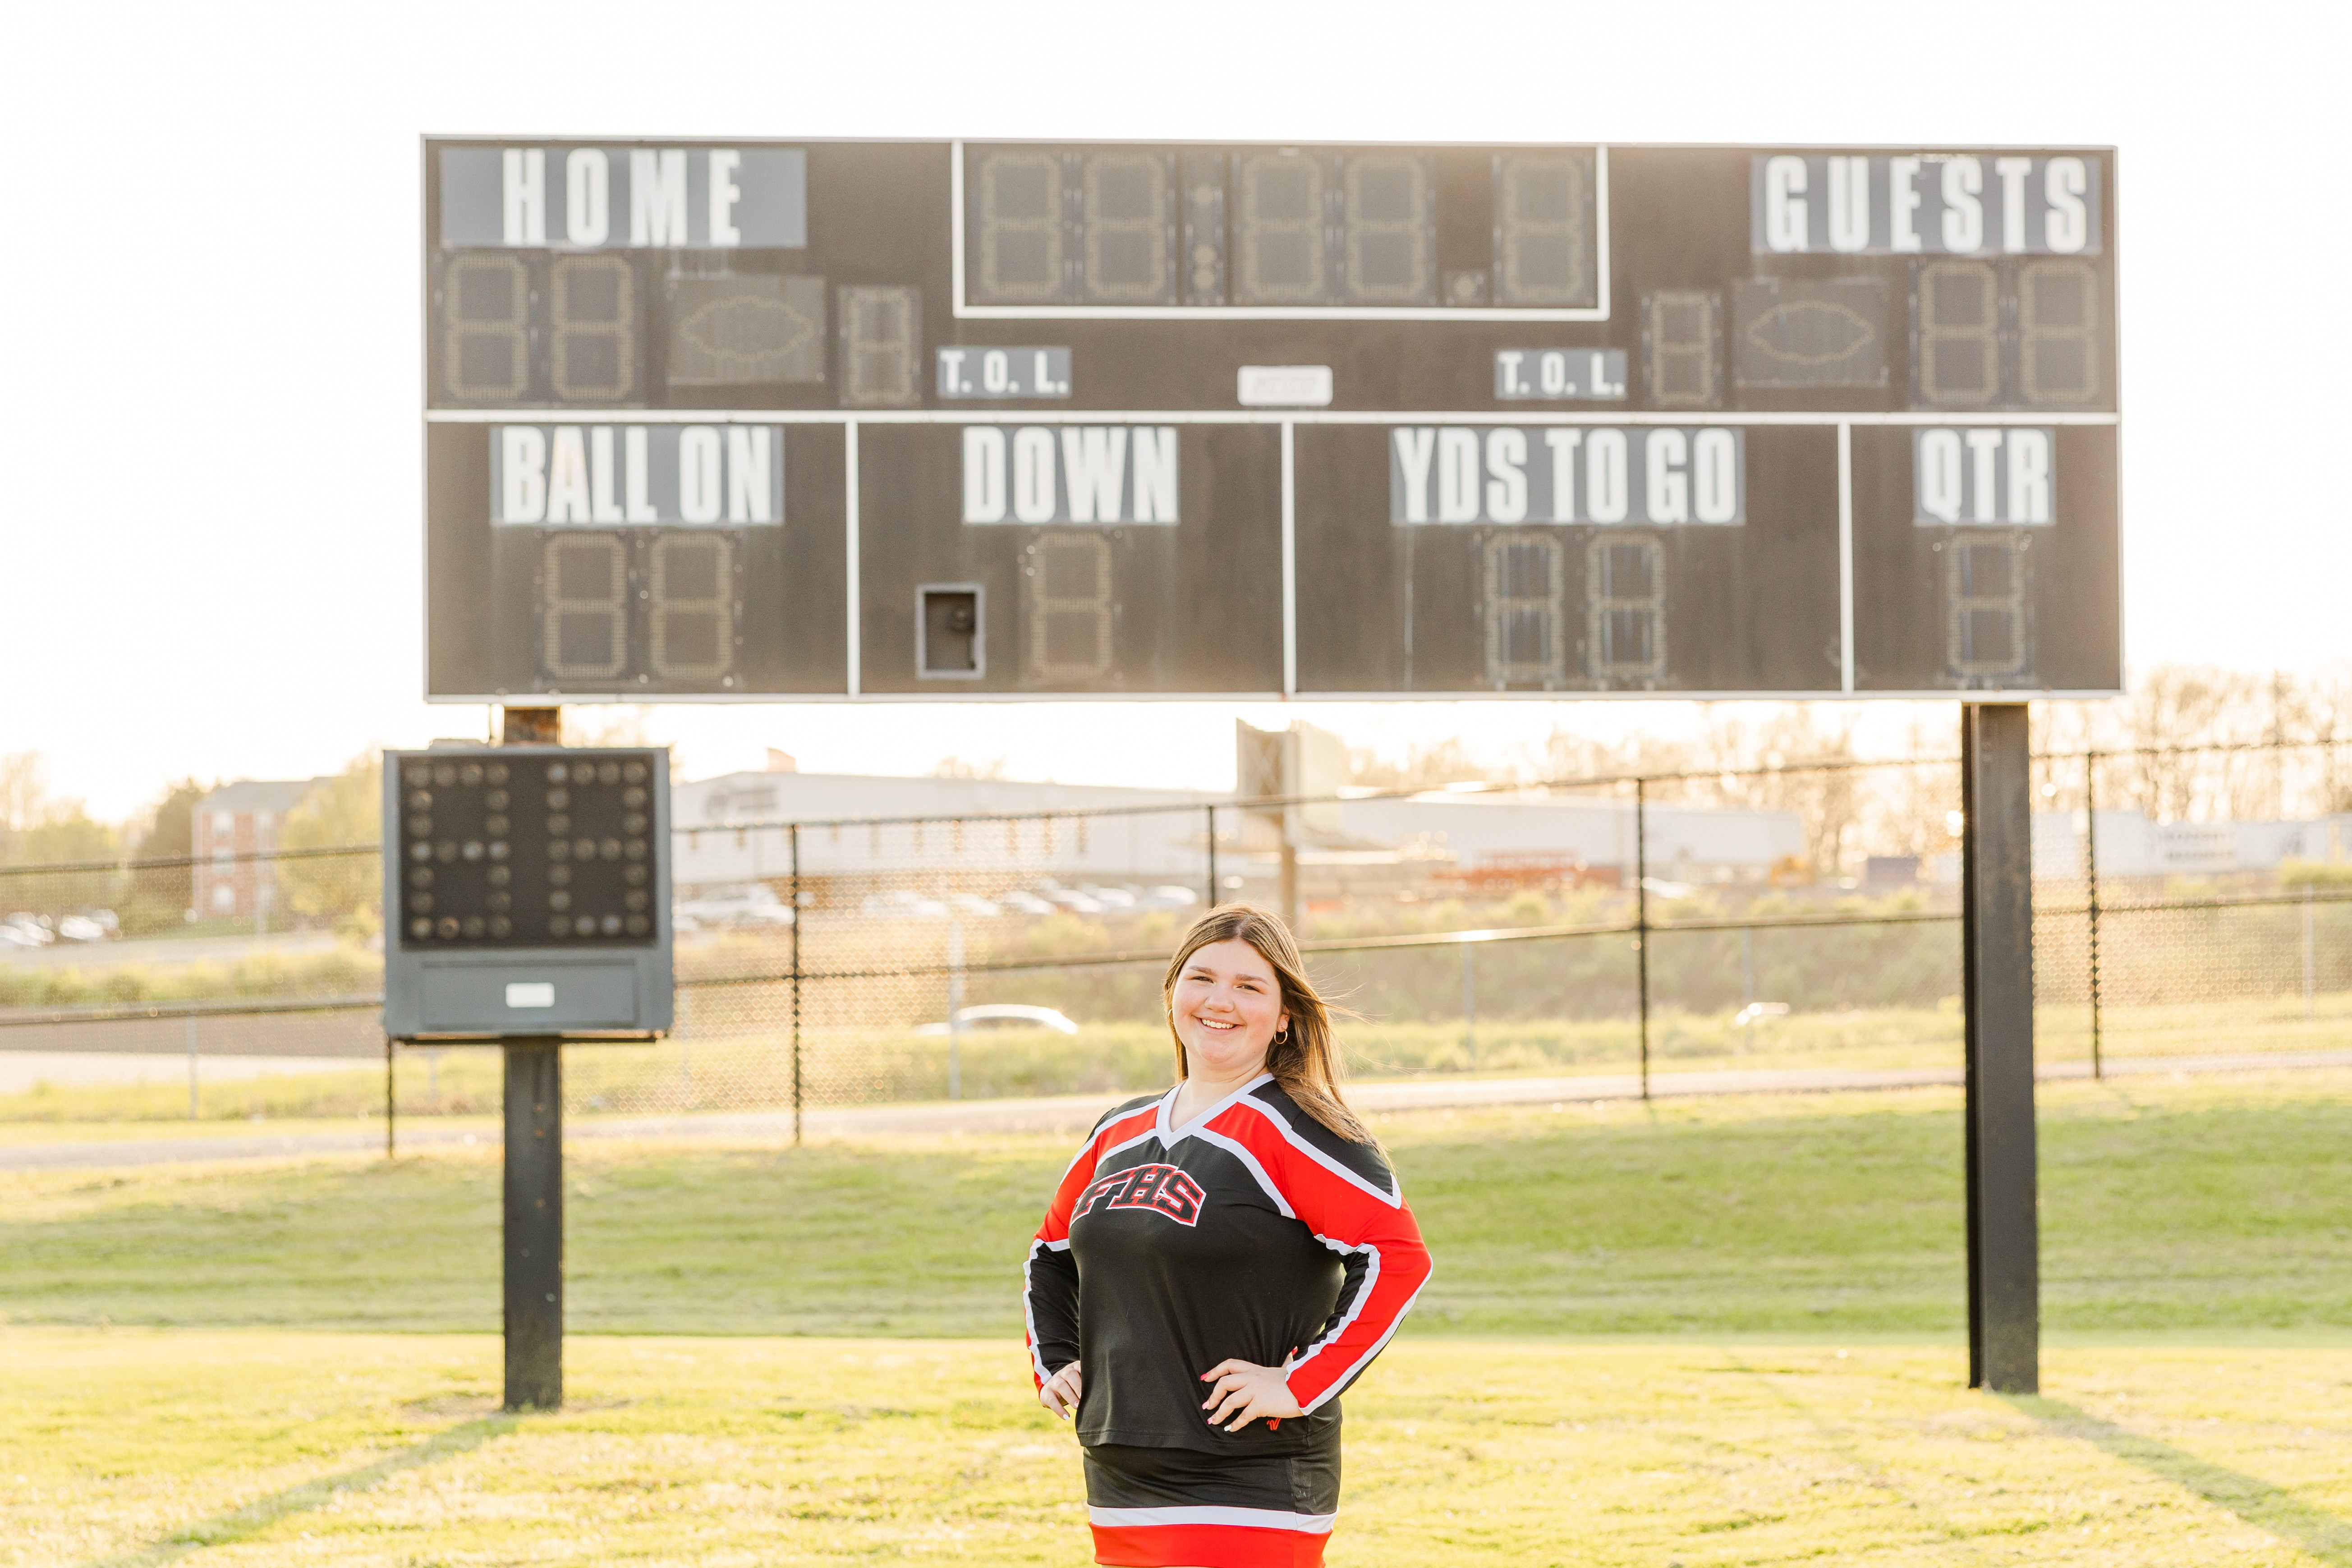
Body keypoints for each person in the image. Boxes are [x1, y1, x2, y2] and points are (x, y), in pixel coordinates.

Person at [1021, 904, 1432, 1568]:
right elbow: (1050, 1252)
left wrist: (1298, 1384)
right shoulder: (1118, 1130)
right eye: (1202, 978)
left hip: (1248, 1474)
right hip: (1121, 1465)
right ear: (1173, 995)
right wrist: (1056, 1359)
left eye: (1249, 986)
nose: (1220, 1001)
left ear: (1286, 1015)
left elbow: (1398, 1256)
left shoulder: (1297, 1129)